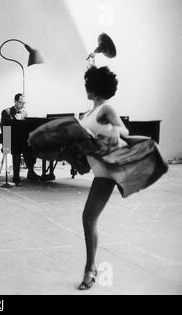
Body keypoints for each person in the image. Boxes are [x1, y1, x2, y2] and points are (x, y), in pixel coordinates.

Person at [77, 66, 129, 290]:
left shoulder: (106, 108)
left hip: (107, 171)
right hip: (97, 169)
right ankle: (91, 267)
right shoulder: (88, 113)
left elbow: (124, 131)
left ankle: (91, 268)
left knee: (89, 218)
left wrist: (108, 134)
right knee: (89, 218)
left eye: (89, 85)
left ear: (95, 88)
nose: (86, 89)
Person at [0, 93, 40, 186]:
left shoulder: (24, 112)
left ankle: (31, 171)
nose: (23, 105)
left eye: (24, 103)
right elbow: (5, 128)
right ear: (15, 101)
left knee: (31, 146)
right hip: (9, 138)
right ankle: (16, 177)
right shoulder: (7, 111)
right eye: (21, 102)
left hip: (21, 138)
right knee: (17, 147)